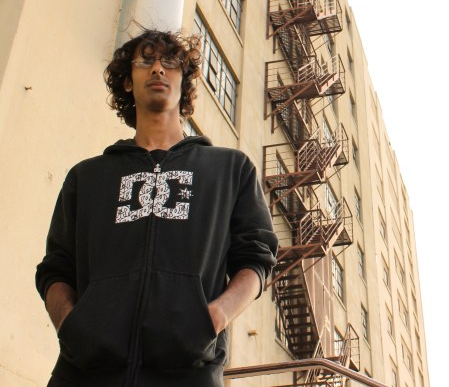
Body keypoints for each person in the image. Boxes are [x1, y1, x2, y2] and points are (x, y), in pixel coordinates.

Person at [35, 30, 278, 387]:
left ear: (185, 81)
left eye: (170, 62)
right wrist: (71, 325)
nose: (158, 69)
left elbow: (256, 258)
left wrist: (214, 317)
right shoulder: (87, 177)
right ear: (128, 82)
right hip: (83, 375)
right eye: (145, 60)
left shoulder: (229, 169)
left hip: (188, 374)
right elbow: (56, 268)